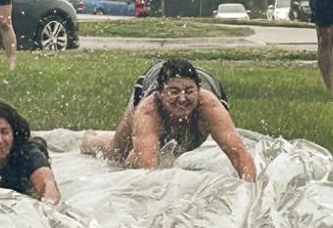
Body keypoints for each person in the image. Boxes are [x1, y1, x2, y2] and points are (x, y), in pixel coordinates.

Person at [80, 57, 257, 180]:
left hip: (199, 111)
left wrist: (250, 191)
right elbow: (148, 171)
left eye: (189, 92)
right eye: (174, 92)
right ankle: (89, 140)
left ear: (199, 90)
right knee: (118, 153)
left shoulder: (210, 106)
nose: (182, 98)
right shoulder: (148, 111)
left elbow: (239, 156)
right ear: (161, 93)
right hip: (149, 86)